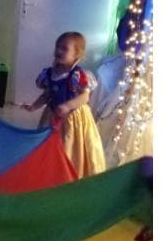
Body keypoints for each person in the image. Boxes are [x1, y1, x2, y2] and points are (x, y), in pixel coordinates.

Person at [23, 31, 105, 176]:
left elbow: (85, 97)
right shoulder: (50, 73)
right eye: (58, 47)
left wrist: (68, 106)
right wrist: (34, 106)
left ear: (76, 55)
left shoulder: (78, 75)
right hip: (53, 114)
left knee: (69, 143)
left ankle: (68, 169)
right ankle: (50, 166)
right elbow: (47, 95)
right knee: (49, 141)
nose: (59, 51)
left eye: (64, 48)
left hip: (73, 117)